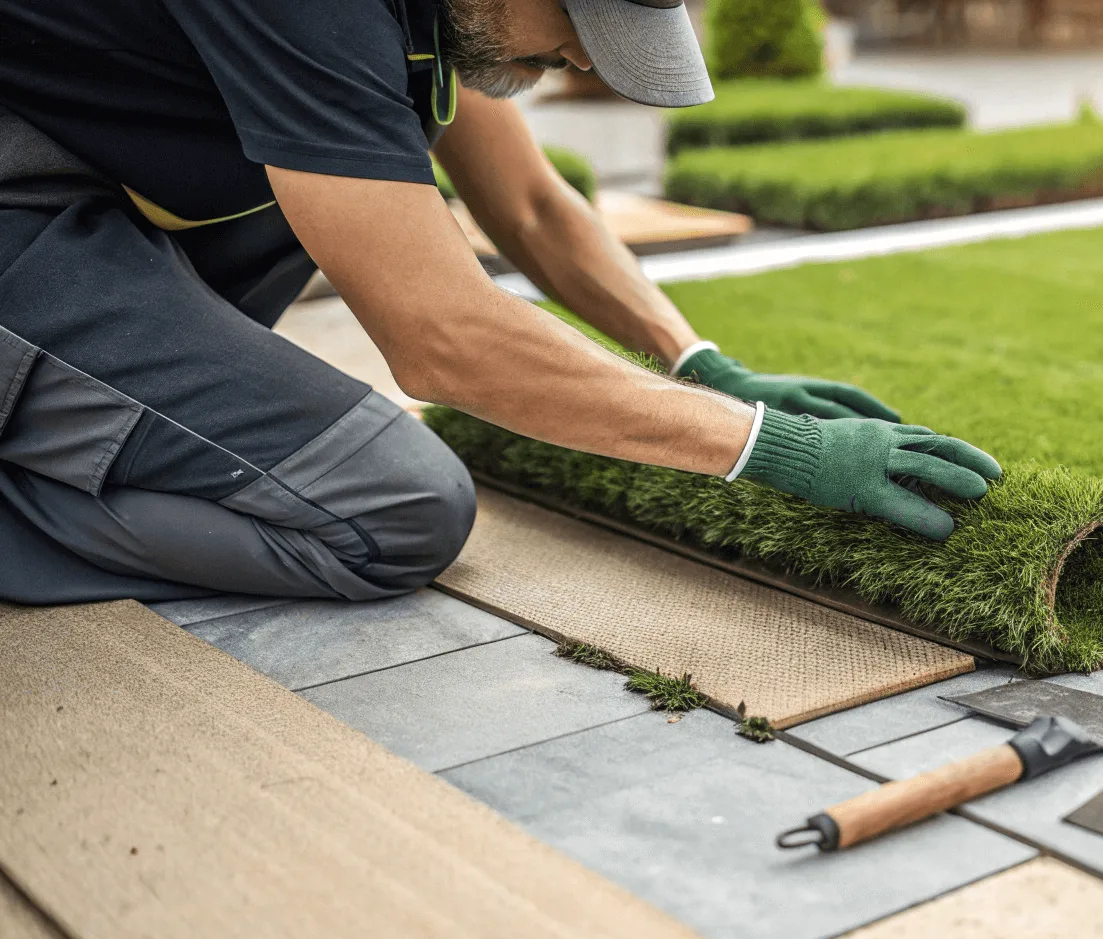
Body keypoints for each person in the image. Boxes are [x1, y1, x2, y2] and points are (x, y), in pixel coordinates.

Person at [0, 0, 1000, 605]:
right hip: (25, 208)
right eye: (577, 23)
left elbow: (527, 205)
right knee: (396, 511)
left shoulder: (439, 21)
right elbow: (442, 337)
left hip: (98, 220)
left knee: (343, 197)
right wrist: (772, 447)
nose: (584, 59)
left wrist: (697, 362)